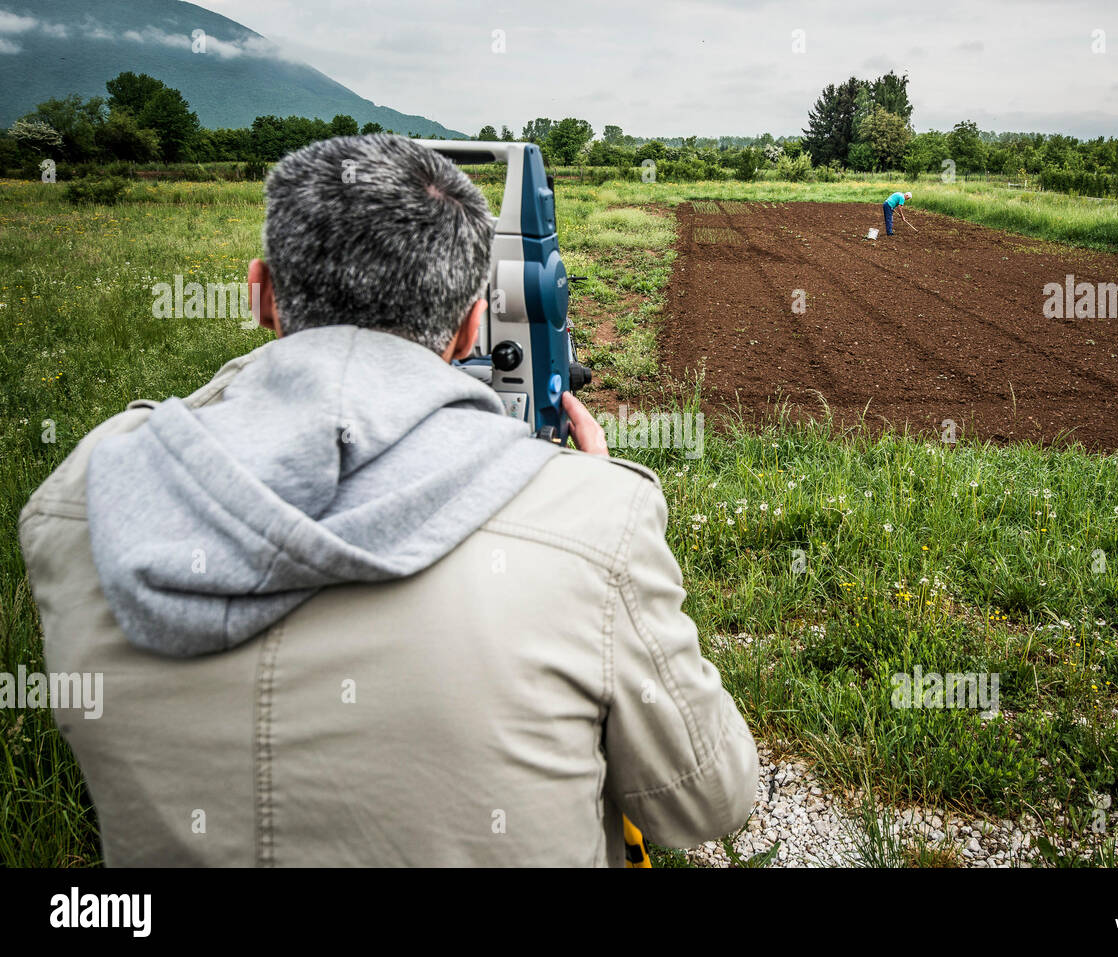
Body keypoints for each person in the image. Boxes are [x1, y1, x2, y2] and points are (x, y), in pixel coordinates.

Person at [19, 133, 758, 867]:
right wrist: (592, 499)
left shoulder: (81, 501)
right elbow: (707, 802)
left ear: (261, 294)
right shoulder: (592, 520)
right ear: (474, 321)